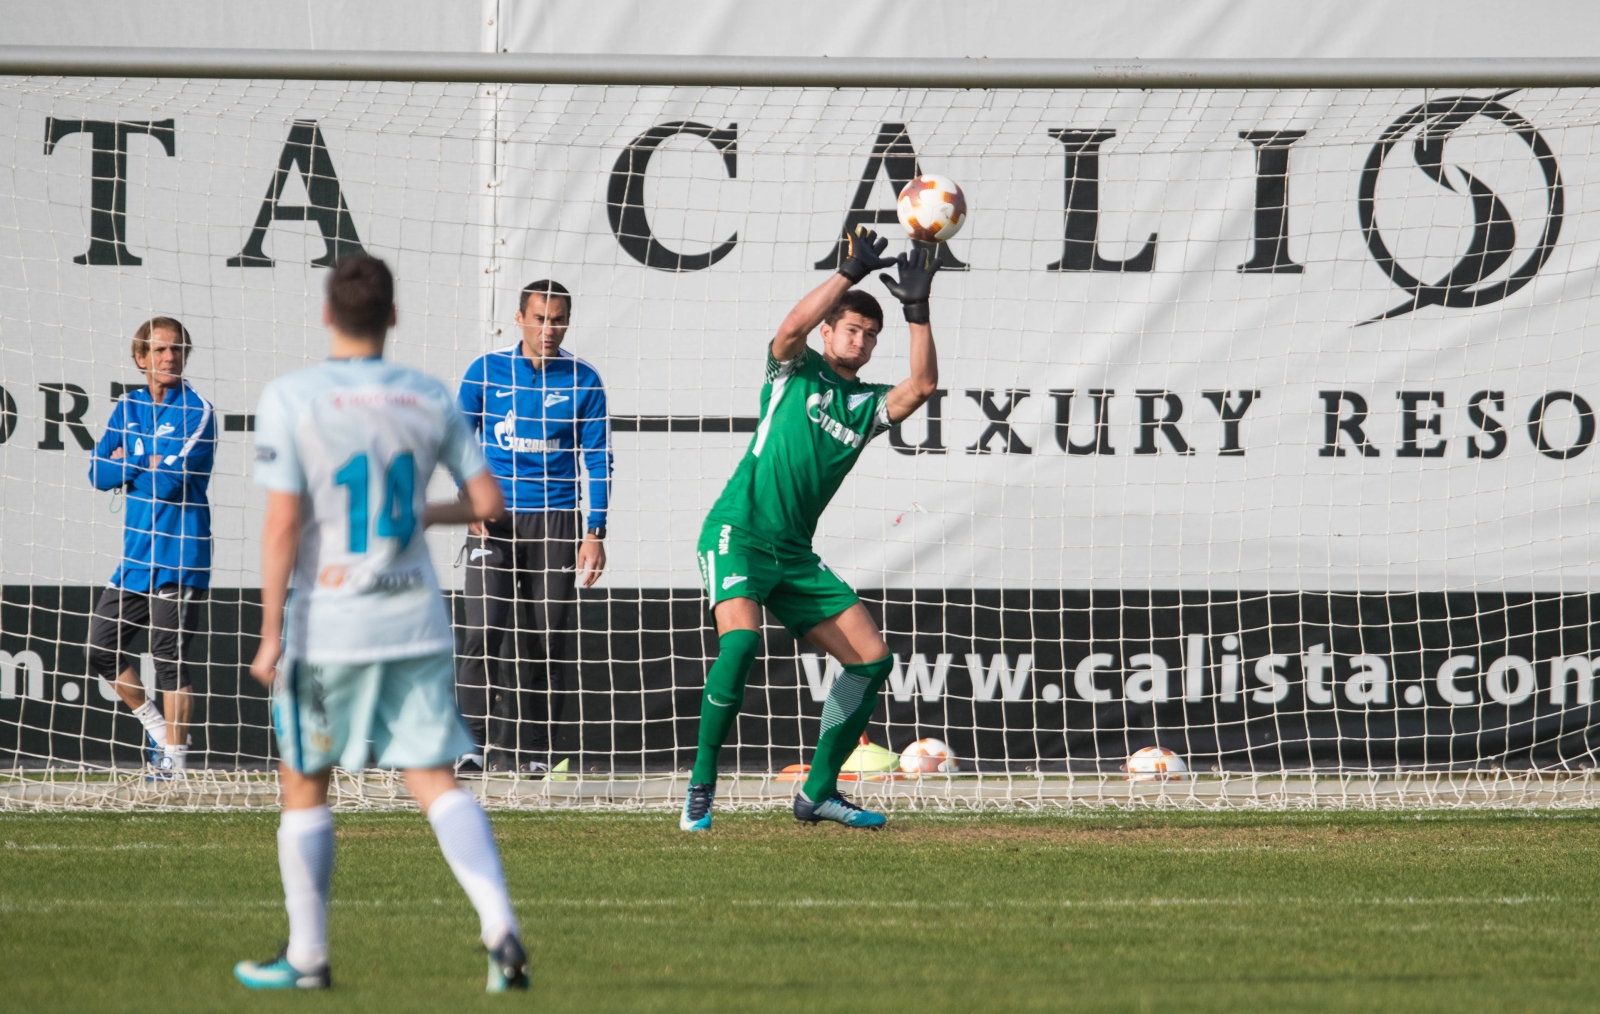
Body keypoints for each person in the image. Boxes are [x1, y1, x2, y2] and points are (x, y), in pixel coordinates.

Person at [234, 255, 528, 992]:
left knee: (304, 782)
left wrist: (270, 632)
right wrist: (428, 511)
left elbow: (280, 524)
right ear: (392, 317)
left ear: (327, 315)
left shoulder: (292, 397)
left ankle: (308, 958)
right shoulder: (428, 397)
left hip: (328, 625)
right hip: (417, 623)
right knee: (433, 781)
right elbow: (489, 504)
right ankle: (500, 928)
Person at [681, 226, 941, 832]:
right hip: (737, 530)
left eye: (871, 336)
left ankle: (818, 793)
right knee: (740, 643)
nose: (862, 341)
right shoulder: (793, 370)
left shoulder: (865, 404)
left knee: (872, 659)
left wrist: (918, 314)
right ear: (828, 332)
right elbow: (791, 328)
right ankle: (700, 784)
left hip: (795, 554)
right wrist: (847, 275)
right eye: (852, 329)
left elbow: (922, 386)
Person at [454, 279, 611, 774]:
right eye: (540, 318)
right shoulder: (486, 369)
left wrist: (595, 532)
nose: (549, 329)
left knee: (546, 637)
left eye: (558, 319)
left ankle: (533, 752)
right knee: (483, 630)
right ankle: (469, 746)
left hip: (556, 521)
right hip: (493, 520)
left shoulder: (584, 379)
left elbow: (599, 460)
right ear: (519, 317)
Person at [87, 317, 214, 777]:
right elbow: (98, 473)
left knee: (169, 660)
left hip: (180, 555)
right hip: (136, 557)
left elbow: (172, 480)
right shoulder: (128, 407)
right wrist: (146, 458)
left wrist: (131, 460)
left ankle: (174, 761)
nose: (169, 358)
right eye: (159, 350)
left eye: (177, 349)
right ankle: (159, 733)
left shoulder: (198, 409)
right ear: (141, 358)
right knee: (100, 648)